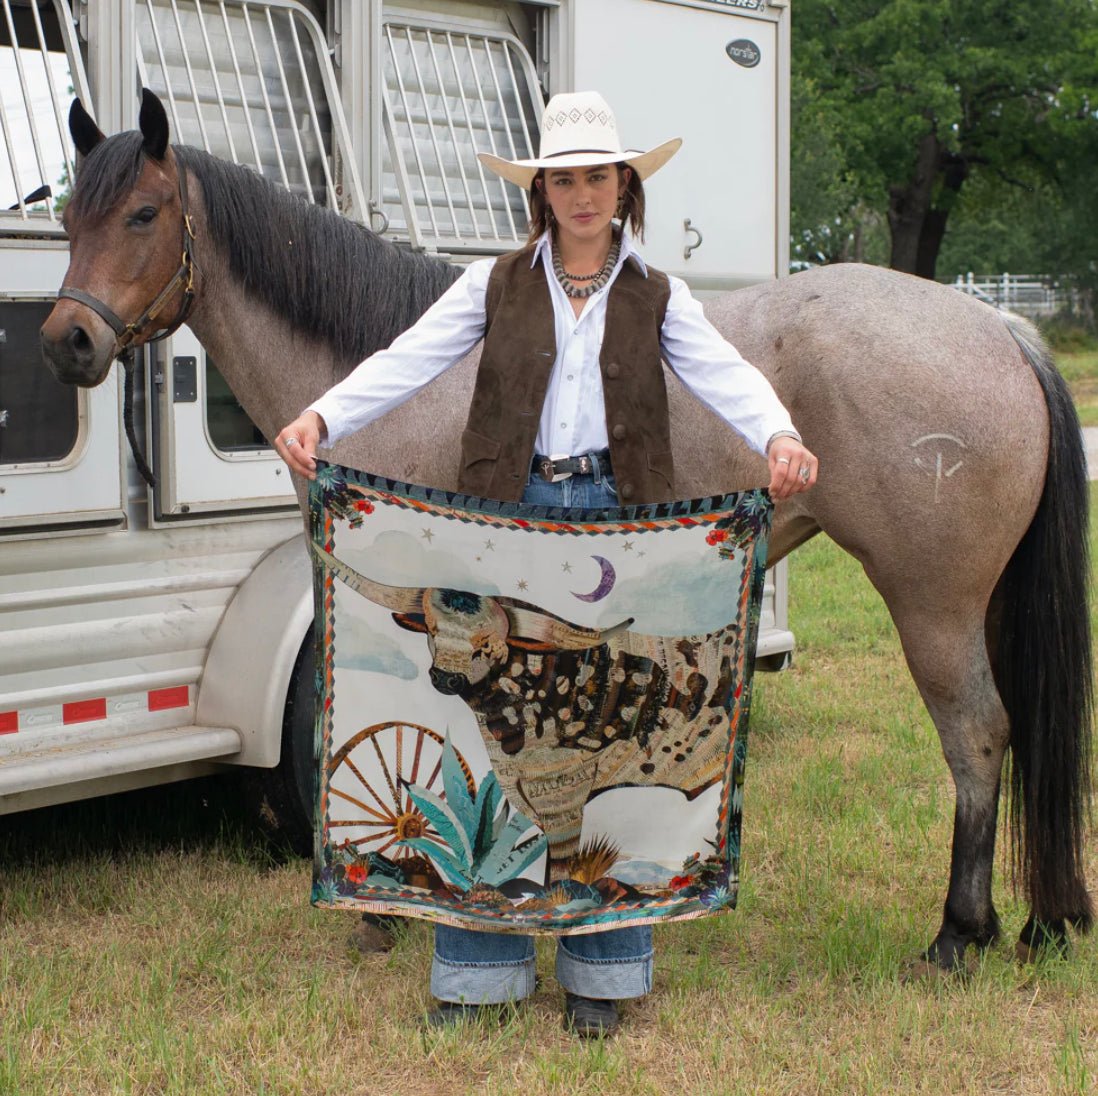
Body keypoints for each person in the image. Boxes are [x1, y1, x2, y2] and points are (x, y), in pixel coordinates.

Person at [276, 91, 818, 1037]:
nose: (580, 194)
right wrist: (324, 417)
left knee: (605, 730)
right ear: (542, 192)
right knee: (494, 749)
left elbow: (723, 373)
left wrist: (778, 433)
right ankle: (479, 977)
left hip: (615, 524)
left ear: (623, 187)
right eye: (562, 178)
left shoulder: (655, 293)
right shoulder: (492, 286)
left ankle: (603, 980)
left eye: (596, 176)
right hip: (507, 523)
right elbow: (410, 358)